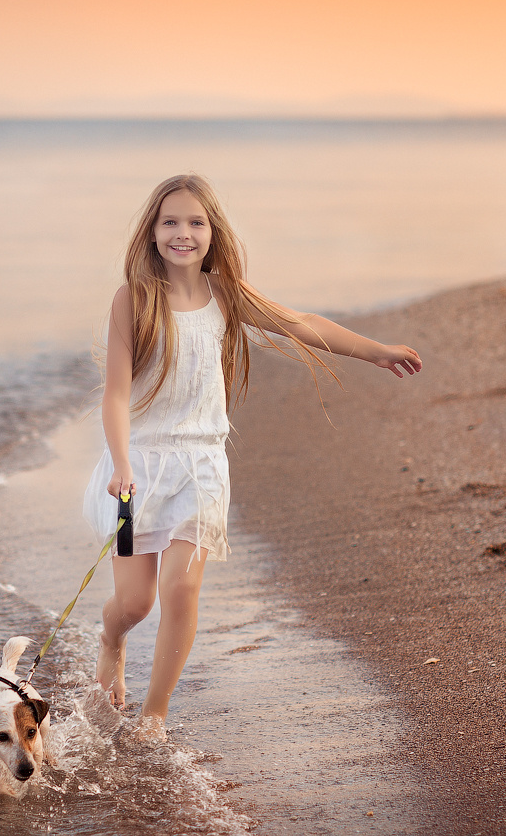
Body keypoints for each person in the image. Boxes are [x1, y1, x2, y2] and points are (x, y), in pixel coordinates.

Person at [83, 173, 422, 743]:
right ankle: (109, 640)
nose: (183, 233)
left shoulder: (226, 295)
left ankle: (154, 715)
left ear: (213, 232)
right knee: (135, 603)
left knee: (183, 589)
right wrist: (120, 464)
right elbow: (115, 394)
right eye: (170, 222)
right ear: (152, 231)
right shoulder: (133, 300)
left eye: (195, 222)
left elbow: (300, 324)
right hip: (136, 469)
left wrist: (375, 352)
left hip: (202, 468)